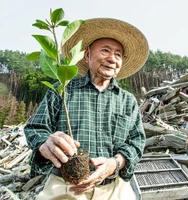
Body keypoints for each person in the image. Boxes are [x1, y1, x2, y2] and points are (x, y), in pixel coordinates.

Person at [24, 18, 149, 200]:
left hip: (113, 188)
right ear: (87, 55)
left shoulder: (127, 100)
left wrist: (114, 163)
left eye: (118, 54)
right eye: (105, 50)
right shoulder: (62, 89)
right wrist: (45, 144)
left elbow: (136, 142)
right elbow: (35, 128)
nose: (112, 59)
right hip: (65, 186)